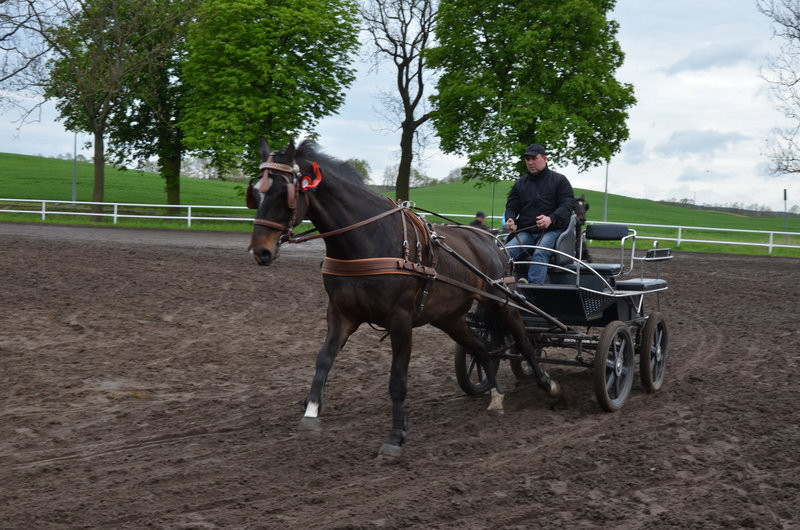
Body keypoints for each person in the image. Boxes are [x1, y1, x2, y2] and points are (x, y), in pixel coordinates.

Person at [505, 143, 574, 284]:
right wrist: (510, 219)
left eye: (534, 158)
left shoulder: (560, 180)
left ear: (545, 158)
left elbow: (567, 206)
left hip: (553, 231)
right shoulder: (520, 183)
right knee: (504, 253)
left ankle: (533, 290)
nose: (530, 162)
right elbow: (512, 205)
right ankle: (501, 285)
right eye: (527, 159)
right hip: (527, 232)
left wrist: (550, 219)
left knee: (540, 252)